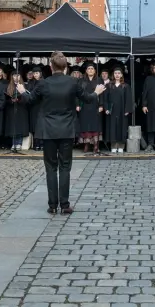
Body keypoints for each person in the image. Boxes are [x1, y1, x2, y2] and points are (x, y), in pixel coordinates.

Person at [17, 52, 106, 215]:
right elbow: (87, 98)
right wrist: (97, 92)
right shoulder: (73, 82)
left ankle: (52, 205)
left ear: (51, 67)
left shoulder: (43, 83)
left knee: (51, 168)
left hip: (48, 130)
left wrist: (23, 91)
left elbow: (30, 100)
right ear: (65, 67)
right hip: (66, 129)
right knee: (65, 167)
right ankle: (64, 205)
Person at [102, 65, 132, 153]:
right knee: (112, 127)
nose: (117, 75)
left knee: (122, 127)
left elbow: (129, 99)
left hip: (122, 110)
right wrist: (106, 108)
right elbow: (105, 99)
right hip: (112, 110)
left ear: (122, 75)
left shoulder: (125, 86)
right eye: (115, 73)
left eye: (119, 73)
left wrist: (127, 110)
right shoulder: (109, 86)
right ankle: (113, 145)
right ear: (113, 75)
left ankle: (121, 146)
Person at [77, 61, 103, 154]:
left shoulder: (99, 80)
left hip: (95, 105)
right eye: (89, 69)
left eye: (92, 69)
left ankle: (96, 145)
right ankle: (86, 144)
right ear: (86, 71)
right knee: (85, 125)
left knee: (95, 125)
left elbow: (103, 94)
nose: (90, 70)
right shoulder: (81, 81)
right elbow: (78, 94)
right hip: (84, 105)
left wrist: (101, 105)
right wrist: (77, 105)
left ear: (95, 70)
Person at [4, 69, 30, 152]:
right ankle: (14, 143)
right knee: (13, 126)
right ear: (12, 77)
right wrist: (11, 100)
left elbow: (28, 98)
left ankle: (19, 143)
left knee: (20, 126)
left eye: (18, 75)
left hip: (21, 108)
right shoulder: (8, 86)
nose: (16, 77)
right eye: (14, 75)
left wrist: (20, 100)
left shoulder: (25, 86)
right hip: (12, 109)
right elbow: (5, 99)